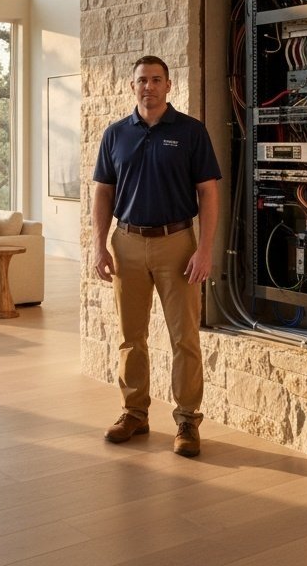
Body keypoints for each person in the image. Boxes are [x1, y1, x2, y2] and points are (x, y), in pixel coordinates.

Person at [92, 55, 221, 457]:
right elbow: (103, 193)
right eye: (141, 80)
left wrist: (204, 249)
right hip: (127, 242)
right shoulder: (115, 135)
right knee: (131, 336)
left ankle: (186, 420)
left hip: (177, 243)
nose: (148, 86)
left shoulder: (190, 132)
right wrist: (98, 244)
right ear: (132, 87)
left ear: (168, 86)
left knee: (184, 337)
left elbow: (209, 193)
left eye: (156, 80)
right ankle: (134, 413)